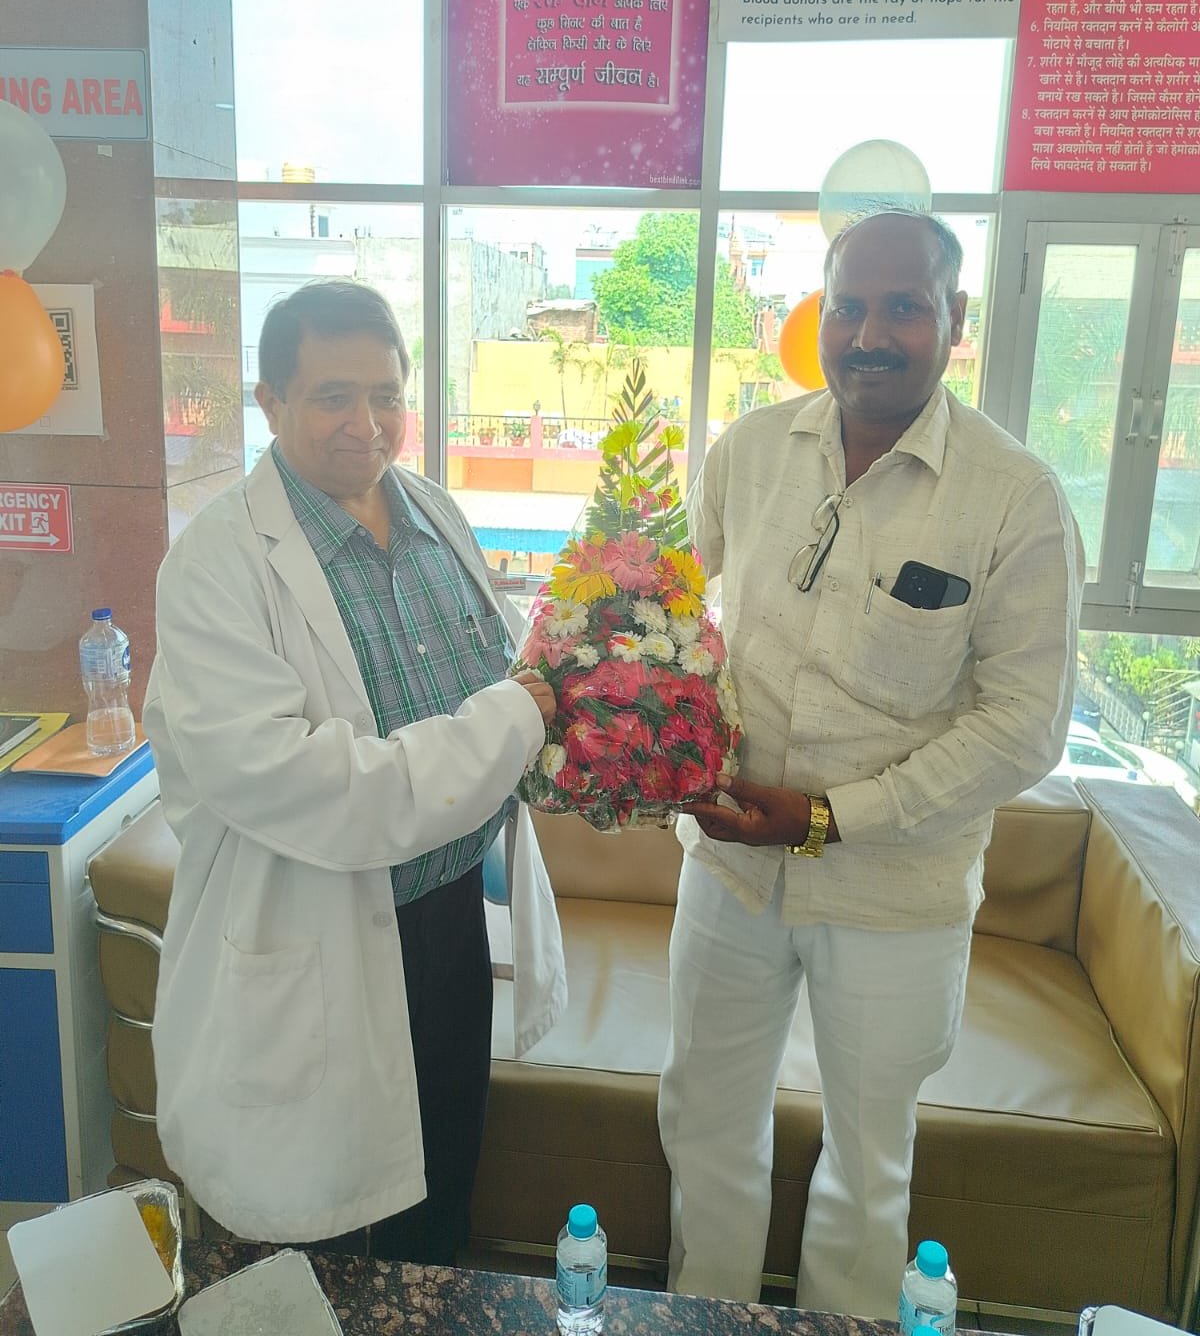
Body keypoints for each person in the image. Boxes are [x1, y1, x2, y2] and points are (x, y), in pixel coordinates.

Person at [658, 210, 1082, 1316]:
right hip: (730, 871)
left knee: (865, 1163)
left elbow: (1025, 725)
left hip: (896, 895)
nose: (869, 334)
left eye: (904, 307)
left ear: (956, 319)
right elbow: (672, 617)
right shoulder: (751, 451)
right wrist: (643, 731)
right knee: (703, 1124)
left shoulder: (1014, 496)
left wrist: (828, 817)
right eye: (848, 305)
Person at [143, 279, 566, 1258]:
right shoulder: (216, 565)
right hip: (317, 932)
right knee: (320, 1246)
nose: (366, 425)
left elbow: (501, 674)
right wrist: (517, 716)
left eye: (386, 395)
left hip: (450, 927)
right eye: (332, 396)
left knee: (439, 1203)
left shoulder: (434, 515)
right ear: (270, 401)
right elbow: (308, 786)